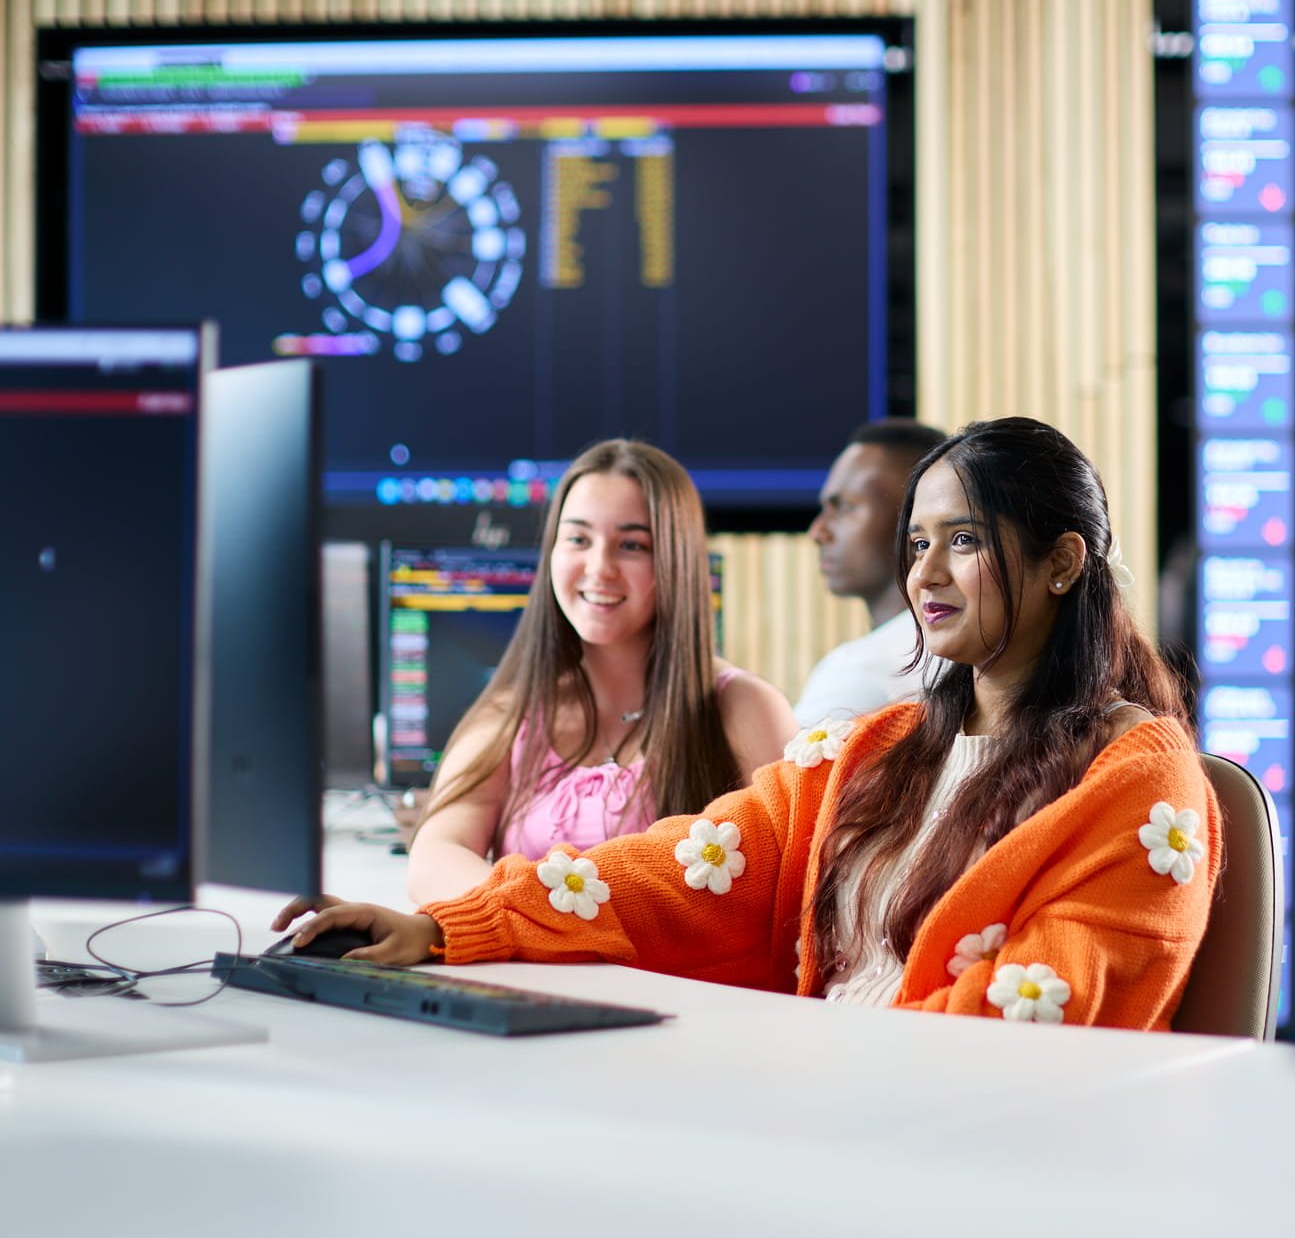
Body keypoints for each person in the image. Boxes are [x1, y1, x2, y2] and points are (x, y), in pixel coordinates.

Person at [279, 418, 1220, 1030]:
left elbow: (1036, 1022)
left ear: (1062, 562)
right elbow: (682, 868)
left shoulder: (1138, 778)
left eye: (963, 541)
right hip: (817, 1125)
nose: (924, 575)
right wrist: (448, 930)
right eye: (917, 543)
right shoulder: (877, 752)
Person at [402, 439, 797, 904]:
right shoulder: (511, 713)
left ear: (676, 561)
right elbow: (434, 857)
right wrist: (551, 914)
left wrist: (573, 912)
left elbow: (788, 889)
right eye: (578, 539)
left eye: (631, 545)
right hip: (530, 975)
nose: (599, 567)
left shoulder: (744, 706)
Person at [792, 417, 948, 723]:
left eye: (845, 507)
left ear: (917, 516)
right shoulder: (976, 655)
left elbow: (781, 772)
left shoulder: (863, 667)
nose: (818, 531)